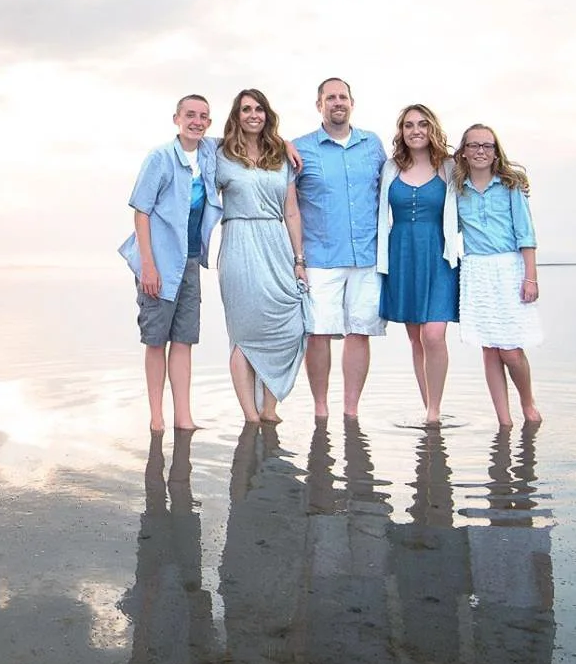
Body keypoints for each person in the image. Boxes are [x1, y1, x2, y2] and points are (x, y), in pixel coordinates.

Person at [119, 95, 221, 432]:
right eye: (190, 115)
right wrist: (148, 266)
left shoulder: (209, 152)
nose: (197, 121)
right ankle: (156, 417)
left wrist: (285, 145)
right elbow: (141, 211)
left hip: (190, 261)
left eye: (203, 116)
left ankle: (183, 416)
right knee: (155, 340)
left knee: (184, 339)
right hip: (159, 262)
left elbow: (247, 137)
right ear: (176, 118)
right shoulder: (160, 158)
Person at [291, 77, 387, 420]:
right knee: (317, 334)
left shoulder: (372, 145)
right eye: (329, 98)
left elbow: (400, 179)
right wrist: (296, 257)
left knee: (359, 332)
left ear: (352, 102)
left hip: (366, 256)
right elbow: (287, 202)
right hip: (319, 258)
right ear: (319, 105)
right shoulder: (300, 147)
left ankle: (351, 410)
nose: (337, 102)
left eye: (342, 96)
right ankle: (320, 408)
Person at [214, 88, 309, 424]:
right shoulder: (220, 153)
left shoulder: (279, 157)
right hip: (238, 244)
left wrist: (299, 261)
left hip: (276, 243)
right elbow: (192, 146)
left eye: (259, 109)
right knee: (244, 331)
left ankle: (270, 409)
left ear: (267, 115)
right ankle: (251, 416)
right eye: (245, 109)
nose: (253, 115)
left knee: (291, 327)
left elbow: (292, 212)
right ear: (236, 116)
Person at [453, 123, 543, 426]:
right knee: (489, 349)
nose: (480, 151)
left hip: (508, 268)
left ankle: (528, 404)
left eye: (487, 146)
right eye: (474, 145)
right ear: (463, 152)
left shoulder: (511, 185)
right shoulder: (455, 188)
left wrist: (530, 277)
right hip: (476, 269)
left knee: (511, 350)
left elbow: (526, 234)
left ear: (495, 152)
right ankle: (504, 421)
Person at [377, 104, 461, 425]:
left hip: (438, 256)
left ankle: (435, 410)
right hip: (401, 256)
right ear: (401, 131)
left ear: (432, 129)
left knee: (434, 335)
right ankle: (430, 410)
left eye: (422, 124)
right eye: (409, 125)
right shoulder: (390, 168)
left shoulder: (449, 167)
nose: (416, 130)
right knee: (416, 338)